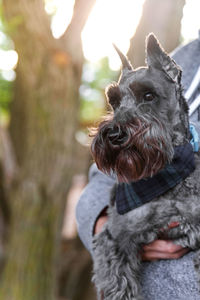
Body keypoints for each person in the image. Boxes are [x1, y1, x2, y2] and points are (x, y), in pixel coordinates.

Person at [76, 31, 200, 300]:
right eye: (117, 102)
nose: (119, 122)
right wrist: (103, 229)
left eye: (147, 97)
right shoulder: (185, 56)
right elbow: (101, 180)